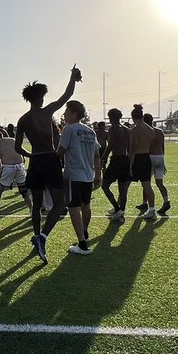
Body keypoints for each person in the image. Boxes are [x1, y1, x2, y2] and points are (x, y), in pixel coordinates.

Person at [15, 65, 81, 263]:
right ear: (39, 97)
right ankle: (42, 237)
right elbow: (67, 94)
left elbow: (18, 147)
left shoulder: (23, 119)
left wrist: (31, 154)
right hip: (50, 160)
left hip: (35, 161)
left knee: (36, 205)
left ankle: (37, 236)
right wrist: (72, 76)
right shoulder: (47, 112)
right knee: (59, 203)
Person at [57, 100, 99, 255]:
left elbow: (61, 151)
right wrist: (98, 174)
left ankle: (82, 244)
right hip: (88, 175)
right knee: (85, 206)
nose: (64, 115)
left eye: (66, 111)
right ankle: (85, 233)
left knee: (74, 208)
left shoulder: (69, 129)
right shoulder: (90, 131)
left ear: (74, 113)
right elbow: (96, 154)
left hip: (74, 175)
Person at [0, 128, 32, 219]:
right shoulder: (13, 140)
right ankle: (31, 210)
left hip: (8, 167)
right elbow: (21, 155)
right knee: (24, 191)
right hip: (20, 165)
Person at [101, 109, 132, 220]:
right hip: (125, 160)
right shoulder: (127, 129)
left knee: (104, 186)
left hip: (116, 160)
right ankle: (121, 211)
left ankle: (117, 208)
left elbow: (111, 145)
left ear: (110, 117)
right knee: (122, 190)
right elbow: (129, 148)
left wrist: (103, 158)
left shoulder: (113, 129)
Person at [128, 105, 158, 220]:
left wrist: (130, 165)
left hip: (137, 159)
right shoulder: (151, 130)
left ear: (133, 117)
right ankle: (152, 210)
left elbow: (133, 148)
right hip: (146, 157)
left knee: (125, 184)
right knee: (147, 185)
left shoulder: (135, 130)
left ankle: (119, 209)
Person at [142, 113, 172, 216]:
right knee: (160, 183)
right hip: (160, 157)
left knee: (146, 183)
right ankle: (166, 201)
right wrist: (163, 161)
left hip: (150, 157)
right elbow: (162, 146)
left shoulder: (146, 132)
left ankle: (146, 204)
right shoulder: (160, 131)